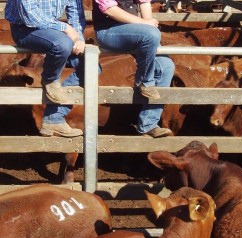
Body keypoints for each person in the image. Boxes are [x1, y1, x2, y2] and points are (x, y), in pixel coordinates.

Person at [92, 0, 175, 138]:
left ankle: (148, 124)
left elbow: (144, 2)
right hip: (109, 30)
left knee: (166, 65)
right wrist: (144, 25)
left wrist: (148, 23)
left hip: (136, 30)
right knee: (150, 34)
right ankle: (144, 81)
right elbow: (109, 9)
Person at [5, 0, 86, 137]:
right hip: (25, 28)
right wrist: (65, 28)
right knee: (62, 44)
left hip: (53, 29)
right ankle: (50, 80)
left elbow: (76, 14)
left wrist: (78, 39)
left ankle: (54, 119)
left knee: (90, 66)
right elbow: (29, 14)